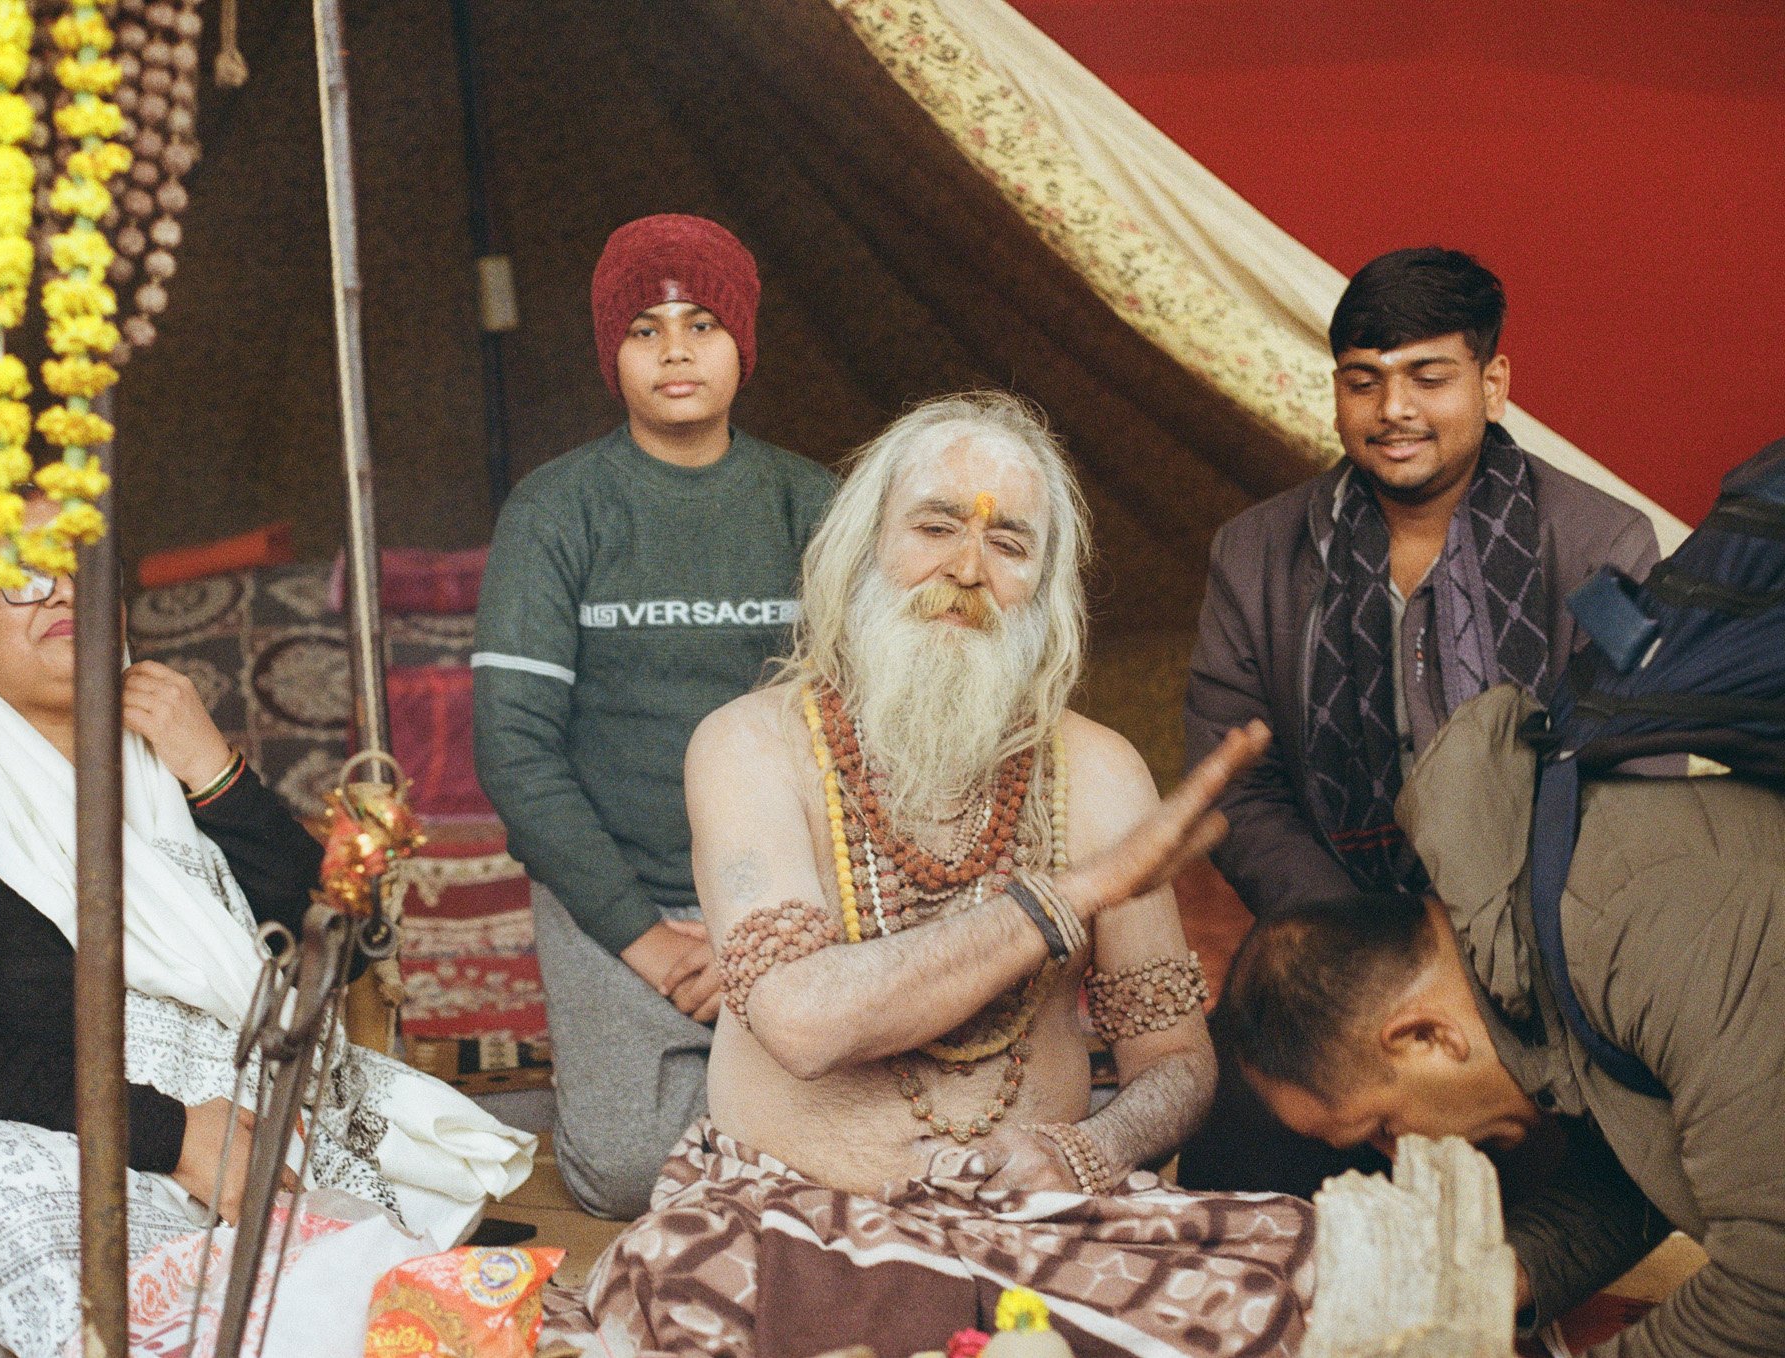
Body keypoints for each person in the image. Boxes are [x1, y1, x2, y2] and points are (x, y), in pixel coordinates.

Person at [546, 394, 1313, 1357]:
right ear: (865, 548)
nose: (965, 571)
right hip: (789, 1226)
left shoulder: (1099, 770)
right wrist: (1068, 896)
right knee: (690, 1284)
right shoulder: (751, 746)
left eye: (1009, 546)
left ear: (1048, 585)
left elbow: (1175, 1061)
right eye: (937, 527)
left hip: (1044, 1232)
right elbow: (803, 1021)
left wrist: (1089, 1149)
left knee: (1295, 1269)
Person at [0, 499, 534, 1358]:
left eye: (87, 571)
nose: (63, 595)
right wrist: (170, 1133)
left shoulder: (161, 760)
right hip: (41, 1135)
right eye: (23, 576)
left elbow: (338, 947)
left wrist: (214, 769)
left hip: (245, 1126)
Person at [1178, 247, 1659, 1195]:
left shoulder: (1603, 543)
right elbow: (1240, 778)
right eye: (1364, 382)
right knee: (1238, 1201)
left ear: (1493, 383)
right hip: (1327, 947)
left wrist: (1492, 958)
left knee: (1509, 1256)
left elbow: (1632, 785)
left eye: (1427, 378)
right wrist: (1358, 946)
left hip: (1539, 974)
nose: (1393, 409)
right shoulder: (1259, 551)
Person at [1214, 683, 1784, 1358]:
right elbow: (1646, 1166)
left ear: (1425, 1035)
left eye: (1384, 1129)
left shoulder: (1641, 929)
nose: (1404, 1159)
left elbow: (1768, 1281)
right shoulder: (1529, 928)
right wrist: (1489, 1283)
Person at [472, 213, 834, 1218]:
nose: (675, 348)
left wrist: (769, 930)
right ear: (610, 353)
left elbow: (866, 732)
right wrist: (643, 934)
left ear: (742, 345)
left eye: (702, 321)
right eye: (644, 327)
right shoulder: (556, 511)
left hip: (788, 896)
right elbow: (512, 745)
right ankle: (722, 1099)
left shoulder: (814, 505)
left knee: (860, 1128)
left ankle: (739, 1095)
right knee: (627, 1174)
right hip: (612, 894)